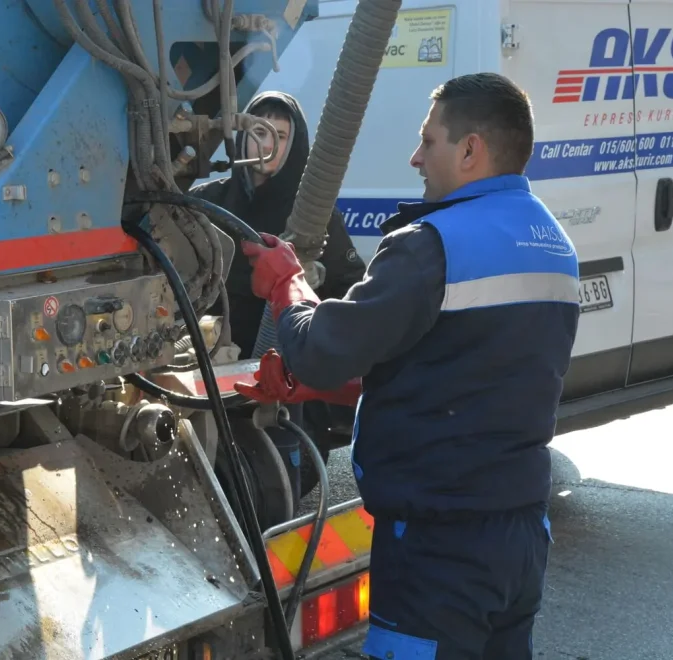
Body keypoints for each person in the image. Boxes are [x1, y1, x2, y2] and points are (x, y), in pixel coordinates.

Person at [234, 73, 581, 659]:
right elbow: (458, 373)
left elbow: (319, 344)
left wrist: (287, 284)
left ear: (471, 150)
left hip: (437, 549)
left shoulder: (431, 246)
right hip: (519, 535)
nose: (416, 157)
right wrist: (319, 390)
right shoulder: (553, 243)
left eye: (429, 140)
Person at [189, 91, 366, 513]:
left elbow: (350, 284)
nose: (266, 145)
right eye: (257, 132)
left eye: (281, 136)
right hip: (215, 372)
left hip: (287, 381)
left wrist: (310, 290)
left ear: (296, 145)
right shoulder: (211, 202)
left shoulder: (312, 215)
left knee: (281, 480)